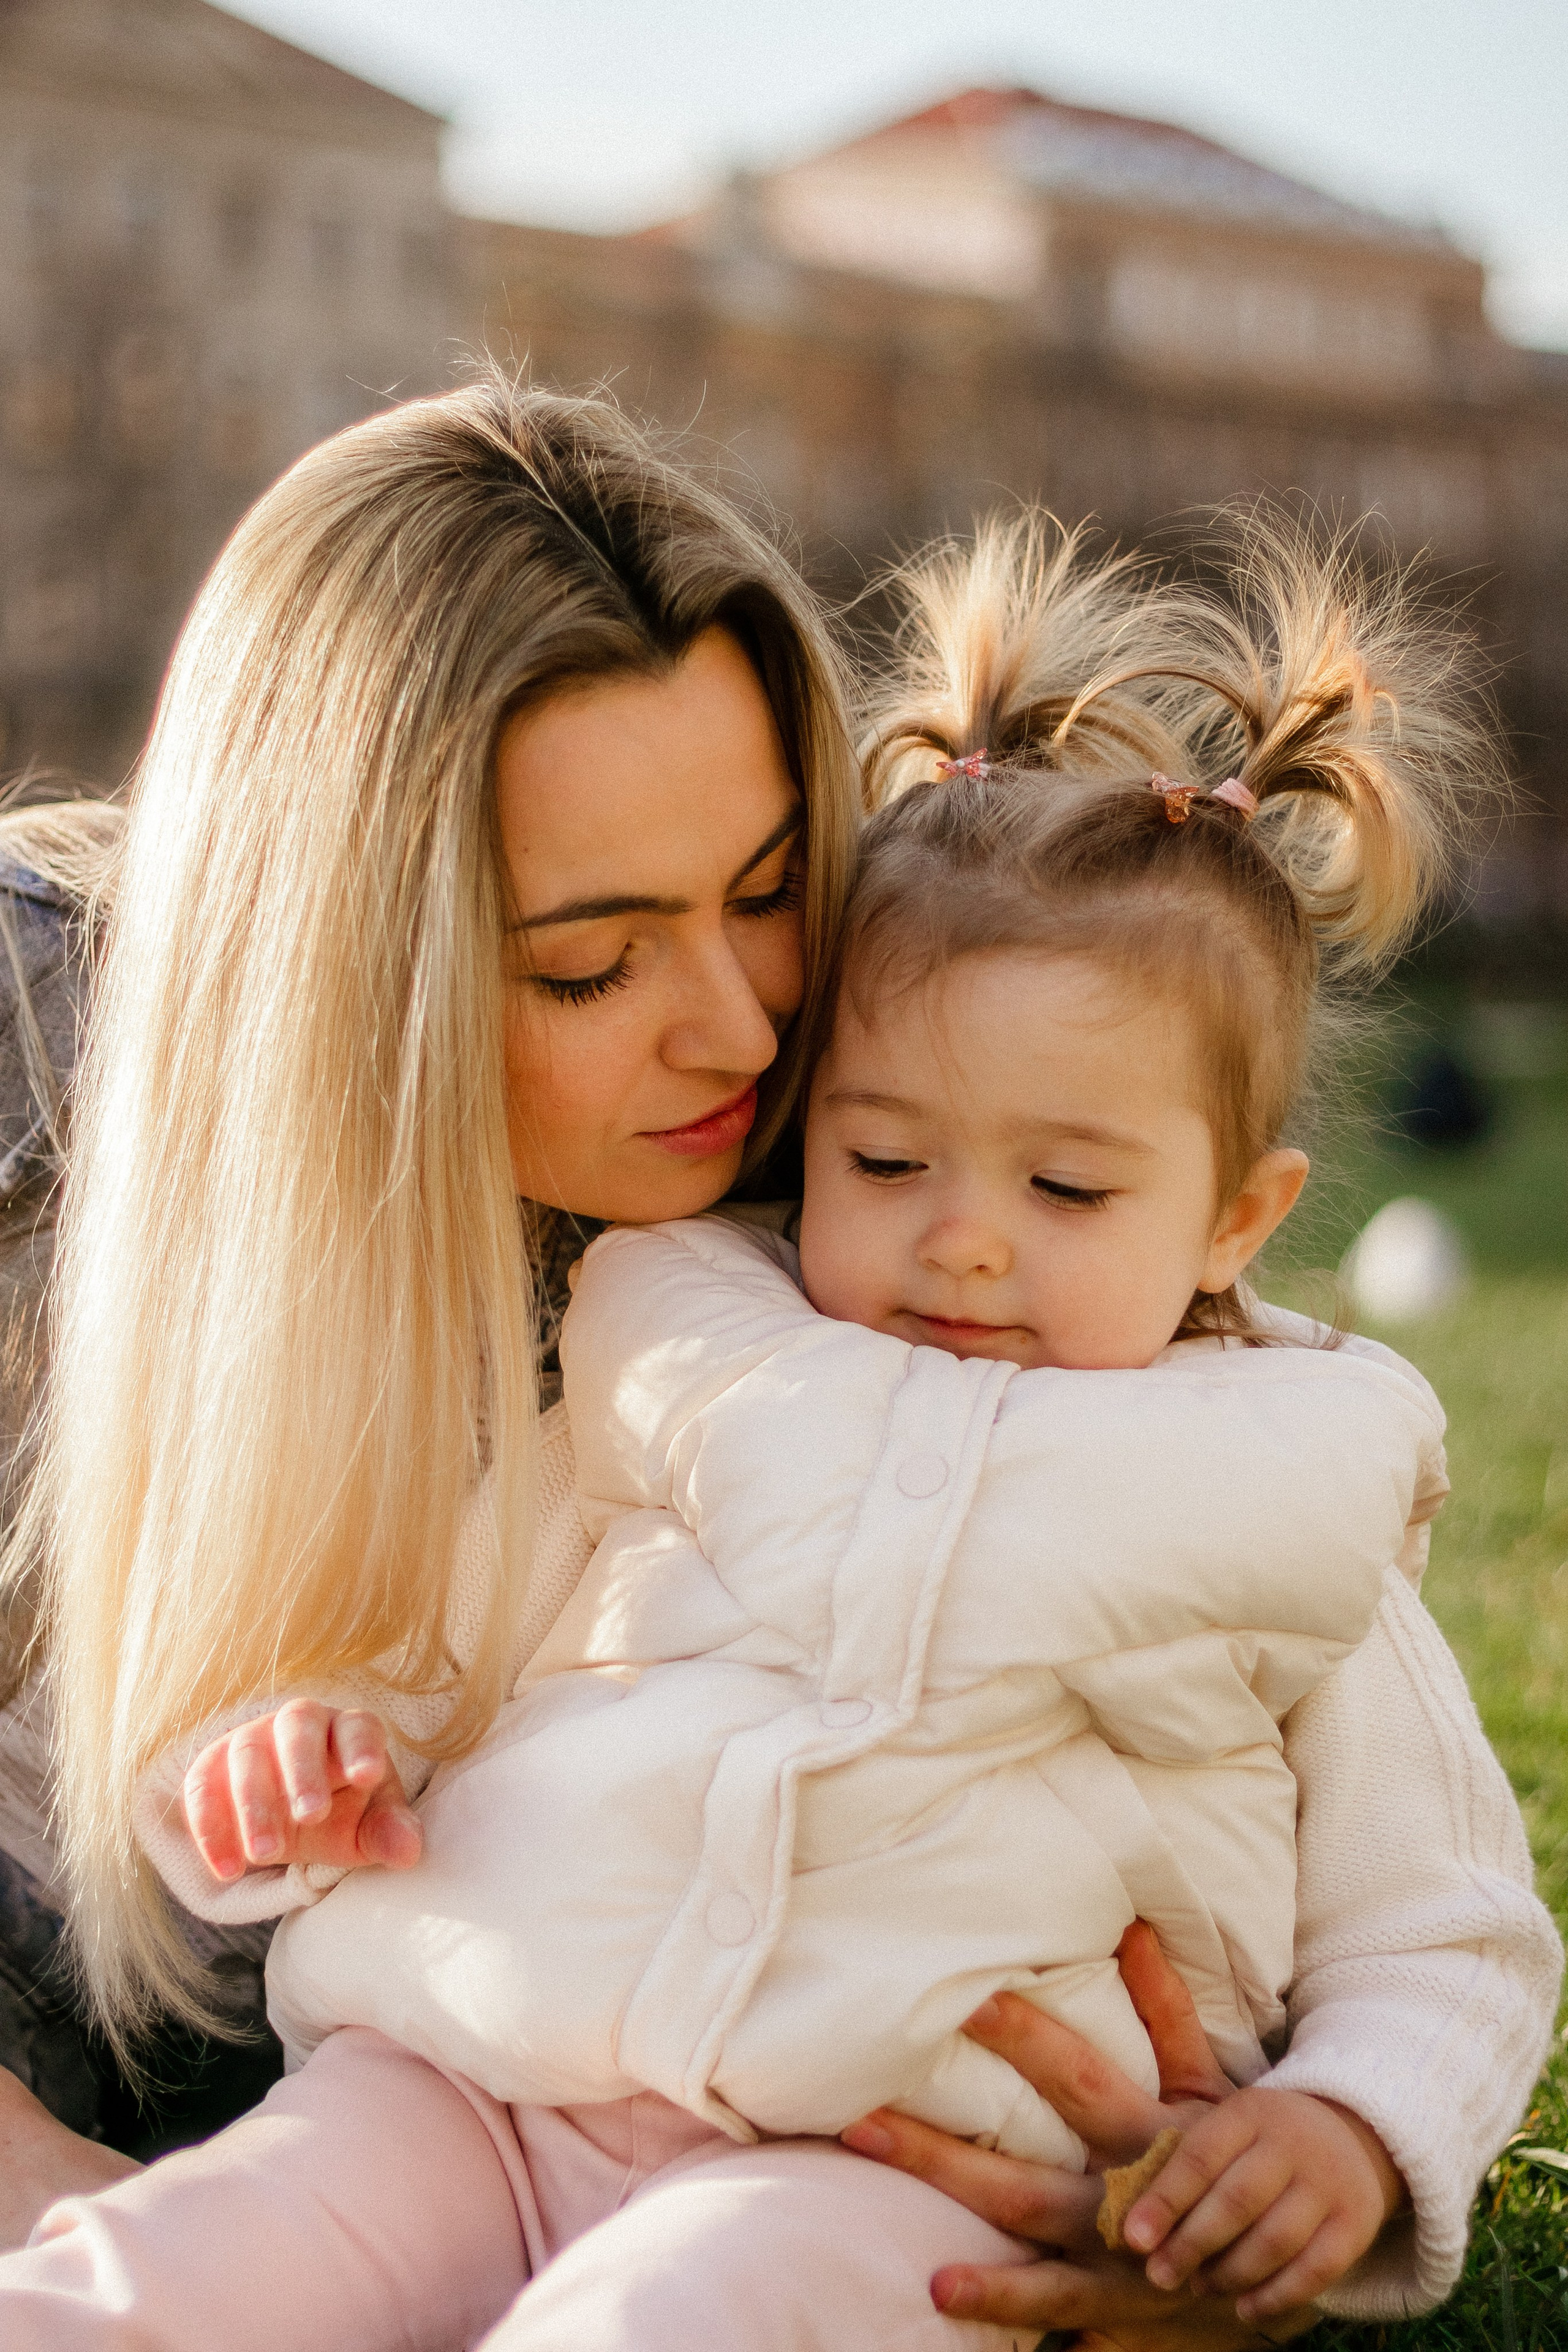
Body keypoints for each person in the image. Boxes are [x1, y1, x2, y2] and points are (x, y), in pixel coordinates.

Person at [4, 513, 1556, 2352]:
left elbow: (1444, 1924)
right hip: (480, 2074)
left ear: (1237, 1217)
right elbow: (414, 1659)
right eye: (884, 1158)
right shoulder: (678, 1354)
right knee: (166, 2278)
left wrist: (1346, 2135)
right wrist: (290, 1764)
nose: (962, 1239)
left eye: (1067, 1187)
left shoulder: (1279, 1490)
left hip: (881, 2158)